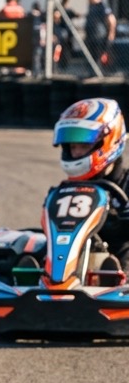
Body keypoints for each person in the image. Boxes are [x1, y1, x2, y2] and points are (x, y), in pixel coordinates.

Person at [52, 98, 129, 270]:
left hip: (120, 263)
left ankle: (115, 276)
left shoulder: (126, 184)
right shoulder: (65, 190)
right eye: (72, 146)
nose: (77, 152)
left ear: (110, 140)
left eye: (84, 145)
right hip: (75, 261)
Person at [84, 0, 117, 74]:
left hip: (99, 37)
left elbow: (111, 20)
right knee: (92, 58)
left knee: (100, 57)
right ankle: (93, 73)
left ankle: (100, 73)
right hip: (91, 37)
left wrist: (111, 34)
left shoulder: (102, 5)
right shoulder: (91, 6)